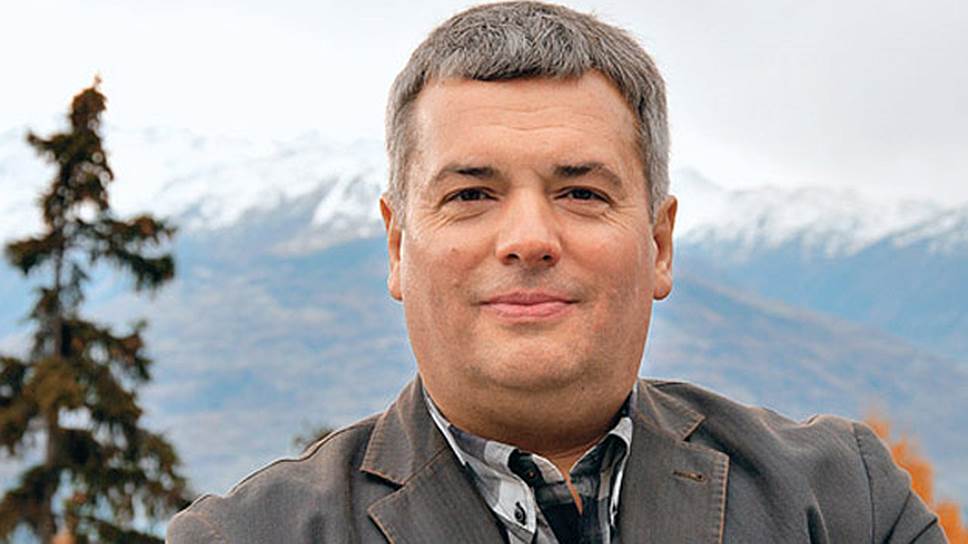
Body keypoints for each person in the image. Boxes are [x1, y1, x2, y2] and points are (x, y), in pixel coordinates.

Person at [166, 2, 944, 542]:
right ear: (399, 246)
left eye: (581, 193)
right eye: (472, 194)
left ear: (659, 244)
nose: (529, 239)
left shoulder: (843, 502)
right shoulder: (247, 537)